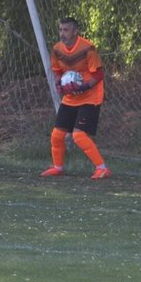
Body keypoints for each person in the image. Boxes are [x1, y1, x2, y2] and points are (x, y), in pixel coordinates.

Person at [40, 17, 112, 179]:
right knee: (57, 135)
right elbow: (57, 71)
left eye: (66, 30)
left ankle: (102, 168)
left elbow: (98, 74)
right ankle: (57, 167)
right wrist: (60, 85)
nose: (62, 34)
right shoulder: (57, 49)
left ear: (75, 31)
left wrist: (83, 87)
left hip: (90, 97)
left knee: (78, 135)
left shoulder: (87, 48)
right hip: (70, 98)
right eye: (60, 30)